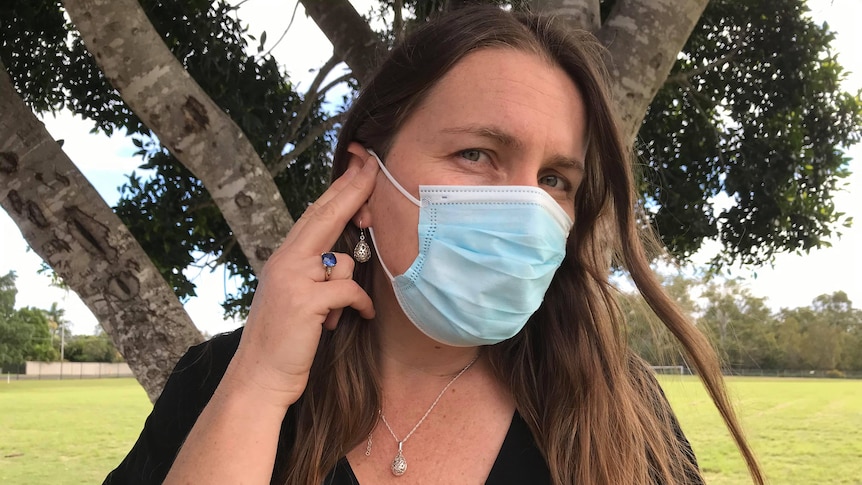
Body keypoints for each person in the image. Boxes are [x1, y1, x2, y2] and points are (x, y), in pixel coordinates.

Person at [105, 6, 763, 485]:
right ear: (363, 182)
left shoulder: (617, 406)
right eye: (476, 153)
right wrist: (257, 385)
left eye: (555, 179)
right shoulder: (219, 382)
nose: (524, 204)